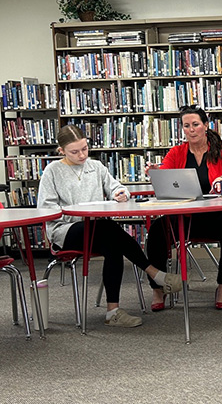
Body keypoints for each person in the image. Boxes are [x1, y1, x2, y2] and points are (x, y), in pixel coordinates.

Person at [37, 125, 181, 328]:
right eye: (74, 152)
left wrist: (120, 194)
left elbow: (117, 187)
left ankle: (113, 312)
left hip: (96, 230)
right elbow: (46, 210)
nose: (81, 155)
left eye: (85, 149)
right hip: (65, 229)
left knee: (111, 243)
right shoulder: (52, 171)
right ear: (62, 151)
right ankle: (155, 273)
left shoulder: (95, 167)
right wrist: (75, 211)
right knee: (107, 229)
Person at [145, 105, 222, 311]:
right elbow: (166, 174)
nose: (191, 130)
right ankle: (158, 288)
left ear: (205, 125)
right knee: (157, 230)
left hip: (219, 215)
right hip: (188, 218)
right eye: (186, 126)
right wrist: (156, 172)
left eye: (195, 124)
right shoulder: (177, 152)